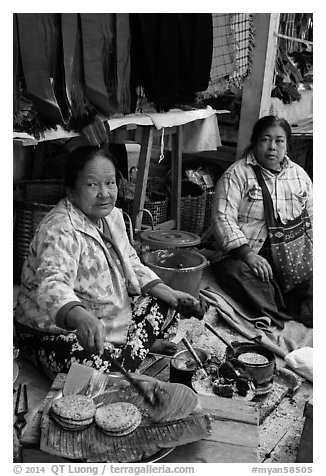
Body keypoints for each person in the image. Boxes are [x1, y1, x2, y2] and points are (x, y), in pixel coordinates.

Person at [14, 145, 201, 380]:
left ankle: (130, 350)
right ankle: (135, 349)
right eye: (92, 185)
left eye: (110, 183)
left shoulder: (112, 216)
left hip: (109, 316)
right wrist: (81, 317)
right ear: (70, 190)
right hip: (55, 331)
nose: (104, 193)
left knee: (166, 303)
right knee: (97, 370)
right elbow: (52, 283)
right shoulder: (60, 228)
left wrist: (171, 294)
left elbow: (130, 261)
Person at [210, 115, 313, 328]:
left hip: (290, 256)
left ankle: (293, 306)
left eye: (279, 141)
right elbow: (223, 219)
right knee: (236, 273)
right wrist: (247, 255)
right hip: (247, 253)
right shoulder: (237, 175)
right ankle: (280, 310)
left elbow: (313, 217)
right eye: (266, 139)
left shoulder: (299, 176)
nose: (272, 147)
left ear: (287, 145)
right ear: (255, 141)